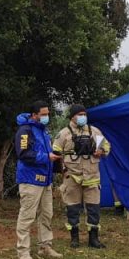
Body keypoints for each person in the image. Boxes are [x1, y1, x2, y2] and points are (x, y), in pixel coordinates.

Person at [53, 104, 111, 249]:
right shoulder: (64, 133)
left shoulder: (94, 131)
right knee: (72, 209)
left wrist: (101, 150)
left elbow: (107, 147)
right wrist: (61, 172)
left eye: (84, 114)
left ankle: (94, 239)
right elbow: (55, 153)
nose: (82, 117)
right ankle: (74, 238)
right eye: (79, 114)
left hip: (92, 177)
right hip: (72, 177)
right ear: (72, 116)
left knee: (93, 209)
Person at [15, 100, 62, 259]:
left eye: (47, 114)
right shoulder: (25, 131)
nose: (46, 117)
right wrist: (46, 157)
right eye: (43, 114)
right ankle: (23, 251)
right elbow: (23, 154)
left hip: (45, 180)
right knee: (27, 215)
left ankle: (45, 246)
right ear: (34, 115)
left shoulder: (44, 131)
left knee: (46, 215)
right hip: (30, 179)